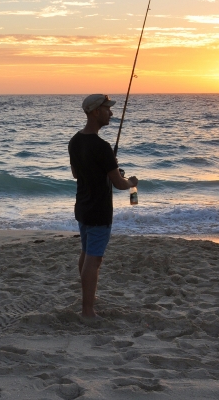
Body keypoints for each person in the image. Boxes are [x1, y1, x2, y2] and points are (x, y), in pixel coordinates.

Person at [68, 94, 138, 318]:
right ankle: (87, 310)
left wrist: (106, 170)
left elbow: (77, 174)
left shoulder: (75, 141)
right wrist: (132, 183)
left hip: (83, 207)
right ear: (96, 111)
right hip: (99, 210)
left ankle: (88, 297)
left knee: (86, 253)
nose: (111, 113)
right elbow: (119, 184)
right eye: (108, 109)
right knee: (94, 259)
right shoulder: (103, 146)